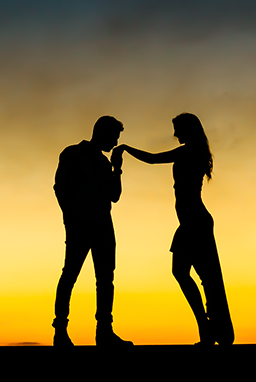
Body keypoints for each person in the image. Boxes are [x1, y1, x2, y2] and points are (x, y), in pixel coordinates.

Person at [117, 113, 233, 345]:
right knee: (195, 275)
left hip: (195, 222)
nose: (175, 134)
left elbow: (152, 159)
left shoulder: (188, 151)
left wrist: (127, 149)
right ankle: (207, 328)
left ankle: (208, 328)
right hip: (191, 221)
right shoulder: (193, 151)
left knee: (194, 275)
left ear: (188, 130)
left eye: (177, 129)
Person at [53, 115, 133, 346]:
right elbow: (60, 188)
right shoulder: (72, 154)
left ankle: (104, 331)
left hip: (103, 226)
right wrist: (70, 218)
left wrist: (117, 169)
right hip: (80, 225)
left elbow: (115, 196)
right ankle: (60, 330)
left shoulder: (103, 162)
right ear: (102, 133)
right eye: (114, 138)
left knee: (106, 279)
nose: (115, 144)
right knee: (70, 275)